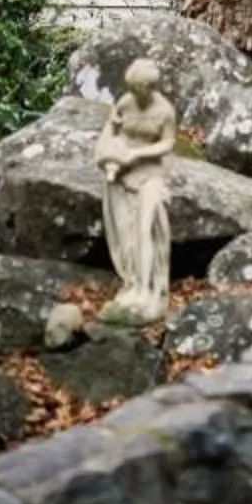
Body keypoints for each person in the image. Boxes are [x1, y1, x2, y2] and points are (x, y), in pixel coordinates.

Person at [93, 56, 178, 323]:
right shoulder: (126, 102)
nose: (132, 93)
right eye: (130, 88)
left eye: (137, 88)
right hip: (122, 171)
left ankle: (148, 290)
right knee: (125, 232)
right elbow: (113, 127)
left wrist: (138, 154)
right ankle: (132, 283)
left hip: (149, 174)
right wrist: (112, 138)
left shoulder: (165, 111)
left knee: (145, 229)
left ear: (148, 87)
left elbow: (167, 145)